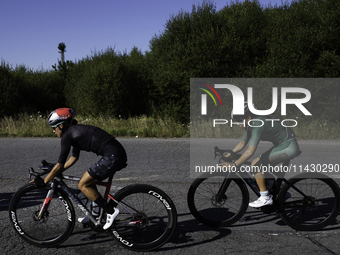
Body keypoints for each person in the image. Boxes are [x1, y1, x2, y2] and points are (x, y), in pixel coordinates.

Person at [31, 108, 127, 229]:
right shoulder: (74, 132)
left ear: (60, 125)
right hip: (115, 153)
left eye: (53, 127)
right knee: (87, 181)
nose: (53, 131)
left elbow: (60, 164)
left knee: (83, 184)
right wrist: (55, 171)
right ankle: (96, 214)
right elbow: (73, 158)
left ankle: (110, 211)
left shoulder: (67, 135)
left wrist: (45, 180)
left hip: (113, 155)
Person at [221, 102, 300, 208]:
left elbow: (250, 151)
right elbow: (242, 143)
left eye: (239, 120)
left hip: (289, 147)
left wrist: (234, 165)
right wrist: (229, 155)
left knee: (256, 165)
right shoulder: (250, 124)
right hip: (282, 145)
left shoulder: (258, 124)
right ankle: (280, 192)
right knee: (259, 169)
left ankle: (265, 197)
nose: (237, 124)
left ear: (248, 117)